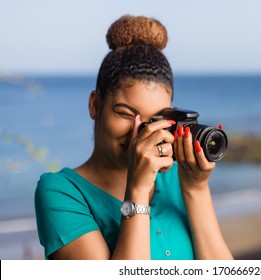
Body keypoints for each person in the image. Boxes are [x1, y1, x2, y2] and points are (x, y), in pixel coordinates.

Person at [34, 14, 233, 260]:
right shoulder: (61, 192)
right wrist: (137, 190)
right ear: (95, 105)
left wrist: (197, 189)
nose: (141, 133)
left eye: (156, 120)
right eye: (126, 114)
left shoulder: (176, 177)